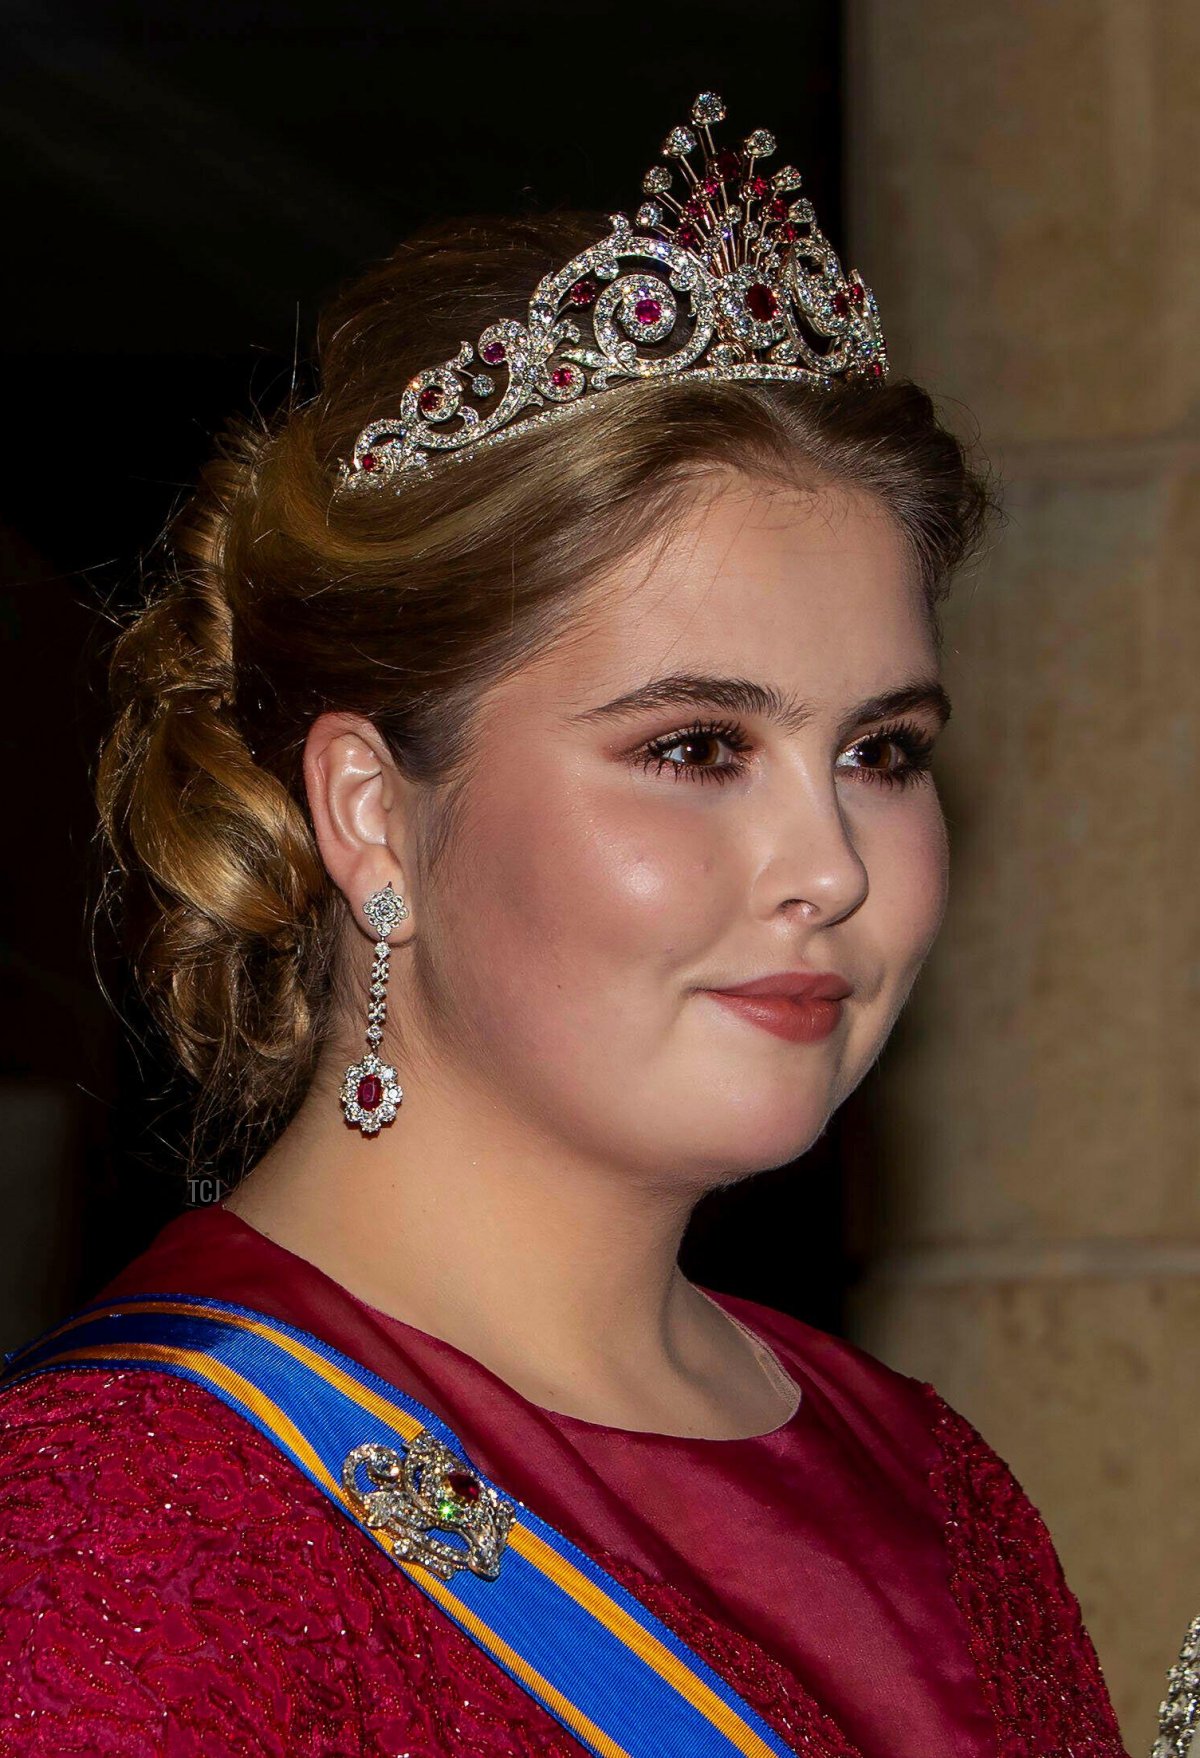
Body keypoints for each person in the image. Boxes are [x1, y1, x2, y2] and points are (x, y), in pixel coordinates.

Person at [0, 91, 1131, 1758]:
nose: (829, 861)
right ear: (374, 811)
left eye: (881, 752)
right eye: (695, 747)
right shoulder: (114, 1534)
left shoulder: (934, 1483)